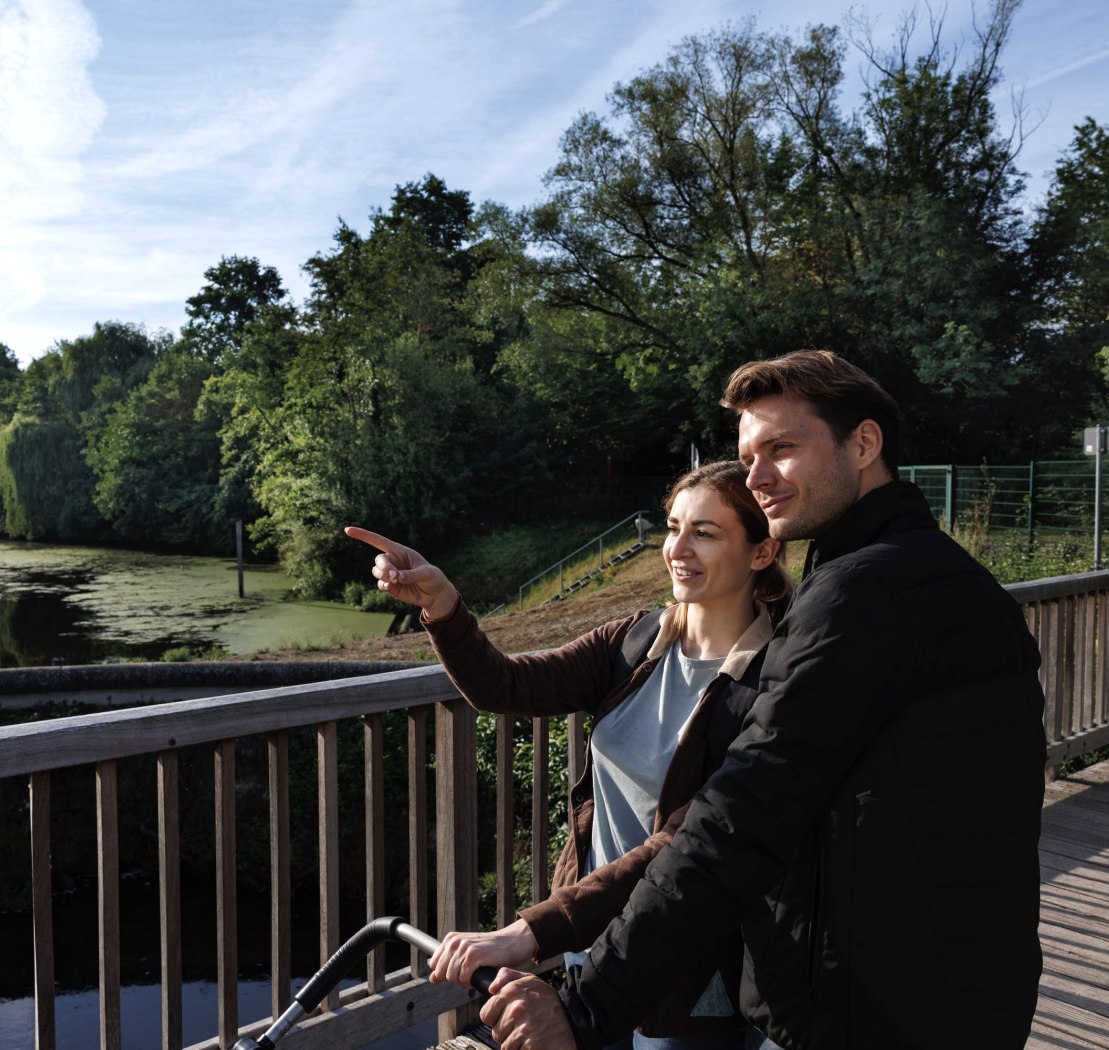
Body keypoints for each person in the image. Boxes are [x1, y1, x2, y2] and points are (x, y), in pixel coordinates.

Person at [478, 350, 1047, 1050]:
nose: (757, 476)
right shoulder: (957, 582)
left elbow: (740, 817)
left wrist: (585, 1009)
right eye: (748, 455)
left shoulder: (856, 596)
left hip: (865, 1006)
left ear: (863, 444)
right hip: (971, 981)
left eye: (781, 448)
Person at [346, 458, 791, 1050]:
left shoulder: (771, 683)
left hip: (684, 955)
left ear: (761, 553)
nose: (677, 547)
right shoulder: (634, 641)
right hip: (590, 937)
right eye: (673, 526)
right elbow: (506, 686)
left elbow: (683, 846)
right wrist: (443, 605)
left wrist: (530, 931)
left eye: (705, 532)